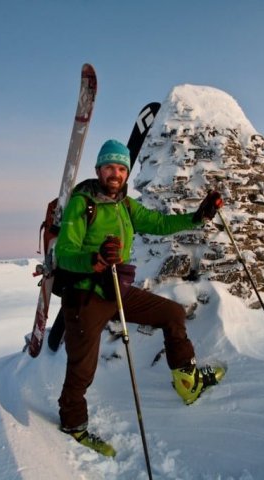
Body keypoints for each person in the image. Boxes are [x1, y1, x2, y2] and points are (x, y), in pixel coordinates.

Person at [54, 139, 224, 456]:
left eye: (121, 168)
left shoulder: (126, 205)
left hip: (117, 290)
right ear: (99, 170)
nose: (115, 173)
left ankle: (187, 379)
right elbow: (64, 254)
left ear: (126, 173)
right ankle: (73, 424)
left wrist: (198, 217)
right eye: (109, 167)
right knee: (83, 368)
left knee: (171, 313)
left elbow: (159, 223)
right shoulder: (83, 203)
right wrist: (96, 259)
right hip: (85, 298)